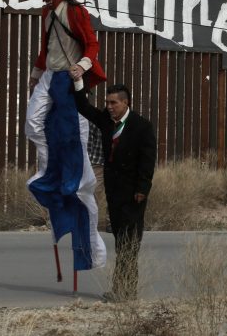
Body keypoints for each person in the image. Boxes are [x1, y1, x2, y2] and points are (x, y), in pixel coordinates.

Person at [24, 0, 107, 272]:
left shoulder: (75, 11)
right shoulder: (47, 12)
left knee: (73, 133)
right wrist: (35, 74)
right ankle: (47, 168)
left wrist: (83, 67)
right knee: (33, 123)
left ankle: (64, 175)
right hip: (50, 76)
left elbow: (92, 43)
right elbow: (45, 49)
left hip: (68, 77)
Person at [74, 83, 156, 302]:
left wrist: (142, 188)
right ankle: (124, 291)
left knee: (129, 243)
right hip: (115, 193)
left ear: (125, 102)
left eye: (113, 103)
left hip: (133, 195)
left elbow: (147, 161)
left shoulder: (142, 126)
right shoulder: (106, 122)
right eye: (107, 103)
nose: (109, 107)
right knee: (122, 243)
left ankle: (125, 291)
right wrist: (78, 82)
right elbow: (83, 107)